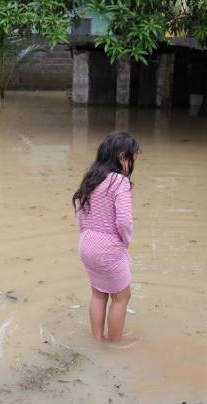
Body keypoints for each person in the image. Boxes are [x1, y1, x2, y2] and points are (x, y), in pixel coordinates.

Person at [72, 131, 140, 342]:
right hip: (108, 248)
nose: (133, 163)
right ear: (122, 157)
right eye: (132, 158)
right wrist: (125, 241)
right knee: (121, 298)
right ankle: (115, 345)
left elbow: (82, 216)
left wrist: (88, 237)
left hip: (86, 244)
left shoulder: (92, 178)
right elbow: (124, 221)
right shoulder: (119, 182)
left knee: (98, 294)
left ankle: (97, 340)